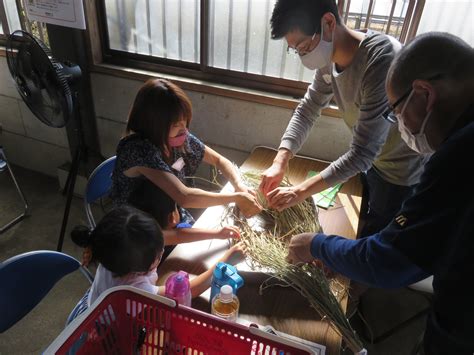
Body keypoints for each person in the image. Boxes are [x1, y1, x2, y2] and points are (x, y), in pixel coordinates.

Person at [286, 32, 474, 354]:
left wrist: (316, 244)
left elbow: (391, 260)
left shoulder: (460, 155)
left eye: (395, 113)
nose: (398, 125)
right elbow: (423, 247)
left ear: (424, 94)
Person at [260, 0, 426, 236]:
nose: (303, 55)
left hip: (400, 172)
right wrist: (280, 161)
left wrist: (300, 191)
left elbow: (362, 153)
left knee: (377, 241)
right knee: (362, 224)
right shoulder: (329, 59)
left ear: (328, 22)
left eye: (304, 46)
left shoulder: (382, 59)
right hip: (374, 163)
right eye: (296, 50)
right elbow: (308, 108)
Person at [110, 78, 261, 225]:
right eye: (177, 124)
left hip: (173, 218)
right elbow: (184, 197)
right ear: (154, 124)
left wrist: (239, 184)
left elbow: (218, 160)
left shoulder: (177, 138)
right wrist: (235, 198)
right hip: (138, 231)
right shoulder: (139, 150)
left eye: (185, 122)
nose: (184, 129)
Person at [71, 205, 245, 307]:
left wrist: (218, 233)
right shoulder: (135, 288)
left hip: (96, 301)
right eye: (158, 254)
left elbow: (177, 235)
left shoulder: (115, 247)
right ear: (139, 269)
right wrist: (225, 261)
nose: (162, 249)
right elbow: (188, 291)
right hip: (107, 326)